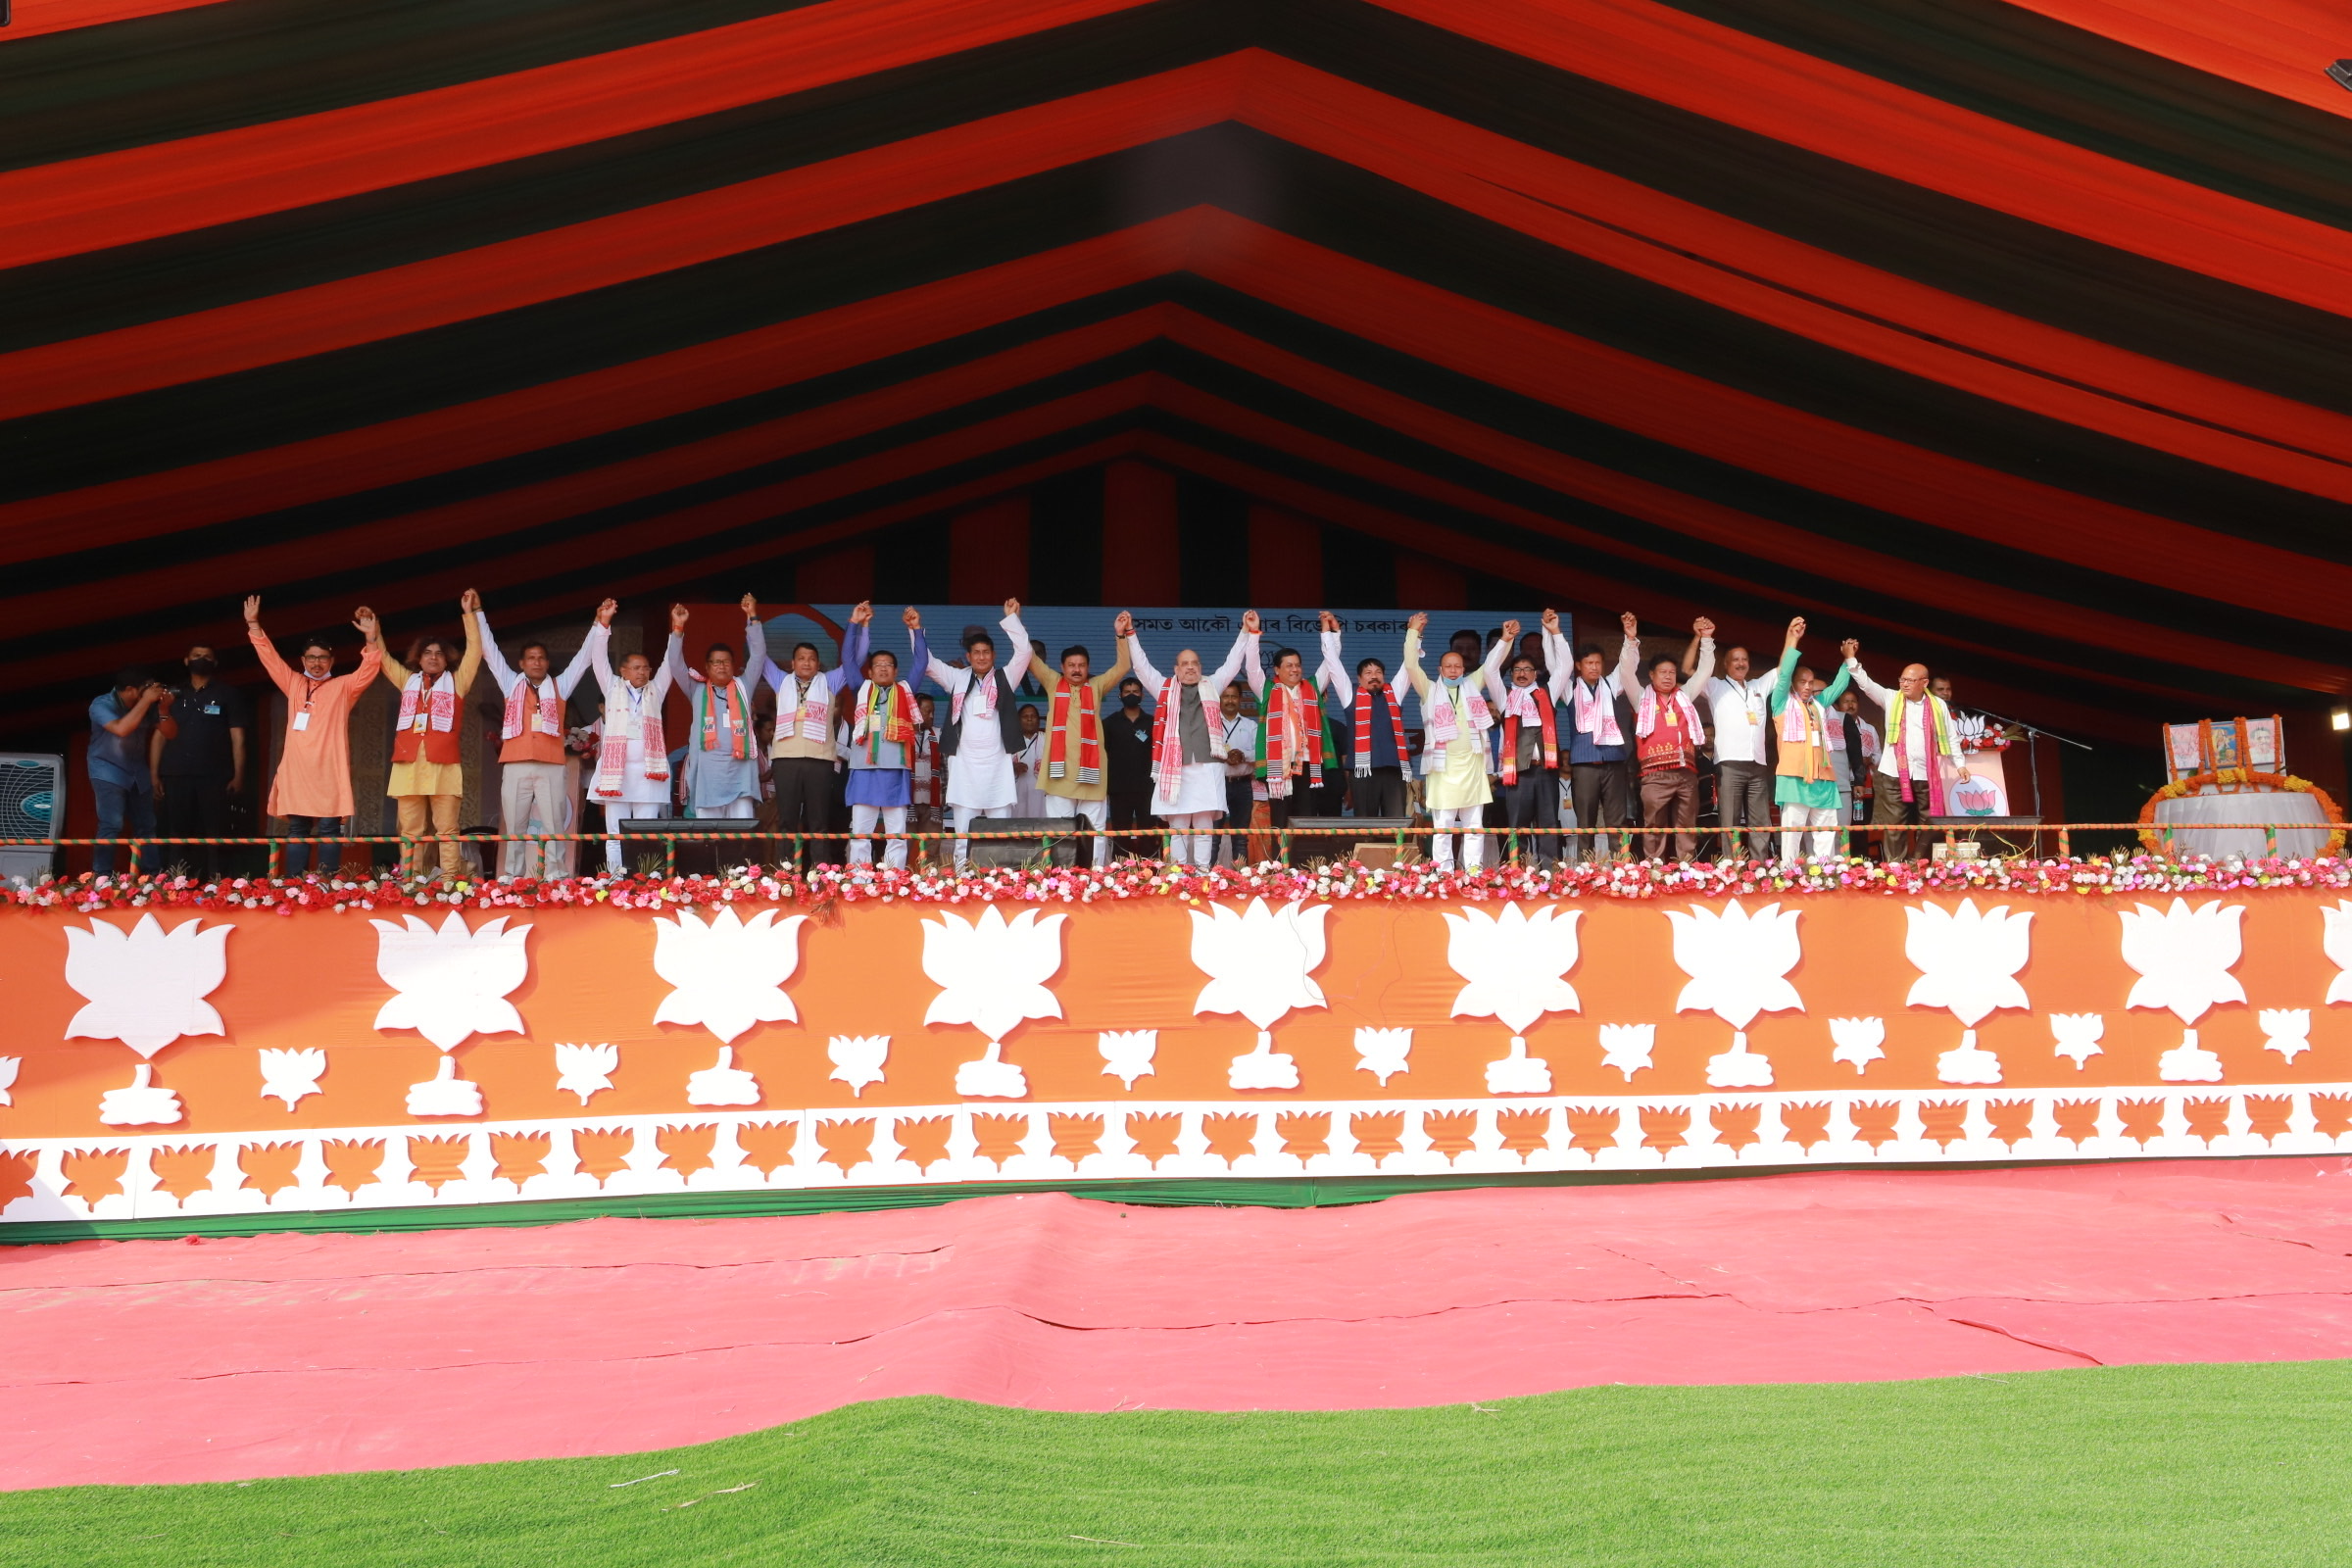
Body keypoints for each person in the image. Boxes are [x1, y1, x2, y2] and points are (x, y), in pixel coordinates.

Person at [245, 596, 382, 876]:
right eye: (311, 657)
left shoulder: (343, 686)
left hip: (329, 768)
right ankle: (295, 884)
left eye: (322, 657)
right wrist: (253, 623)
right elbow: (269, 658)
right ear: (303, 660)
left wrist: (371, 638)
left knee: (330, 828)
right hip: (298, 769)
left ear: (331, 660)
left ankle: (327, 882)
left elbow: (369, 668)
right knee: (298, 828)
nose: (317, 662)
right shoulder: (294, 682)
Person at [476, 597, 608, 879]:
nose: (536, 662)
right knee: (515, 825)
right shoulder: (511, 682)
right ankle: (512, 877)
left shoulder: (560, 686)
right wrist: (477, 613)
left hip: (551, 764)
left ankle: (556, 876)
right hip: (516, 764)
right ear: (522, 663)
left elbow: (584, 657)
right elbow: (489, 650)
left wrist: (600, 623)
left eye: (541, 658)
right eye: (531, 658)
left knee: (554, 825)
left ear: (548, 663)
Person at [1004, 602, 1135, 867]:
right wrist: (1014, 621)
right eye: (1071, 665)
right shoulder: (1053, 683)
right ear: (1062, 668)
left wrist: (1121, 634)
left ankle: (1095, 874)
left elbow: (1123, 667)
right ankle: (1062, 875)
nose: (1076, 669)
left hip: (1092, 772)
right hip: (1060, 773)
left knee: (1095, 831)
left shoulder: (1097, 686)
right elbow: (1029, 656)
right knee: (1060, 830)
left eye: (1081, 665)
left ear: (1088, 668)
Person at [379, 591, 486, 880]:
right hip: (408, 764)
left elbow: (475, 651)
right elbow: (384, 660)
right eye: (428, 653)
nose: (434, 657)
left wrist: (469, 615)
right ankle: (410, 881)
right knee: (410, 831)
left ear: (446, 658)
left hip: (444, 764)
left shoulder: (458, 682)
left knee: (447, 829)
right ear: (419, 657)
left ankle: (450, 879)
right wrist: (373, 634)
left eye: (439, 653)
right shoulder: (408, 681)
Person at [741, 595, 854, 869]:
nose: (806, 663)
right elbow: (759, 655)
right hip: (786, 760)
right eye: (801, 658)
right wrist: (752, 616)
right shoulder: (781, 681)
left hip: (820, 761)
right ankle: (785, 872)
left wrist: (855, 625)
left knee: (818, 821)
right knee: (787, 818)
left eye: (811, 659)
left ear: (818, 664)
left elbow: (854, 659)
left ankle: (821, 873)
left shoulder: (831, 682)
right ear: (792, 664)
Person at [1129, 620, 1252, 867]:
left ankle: (1204, 873)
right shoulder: (1164, 688)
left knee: (1205, 824)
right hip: (1176, 768)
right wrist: (1130, 634)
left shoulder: (1212, 686)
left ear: (1201, 667)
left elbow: (1233, 662)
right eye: (1184, 663)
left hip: (1208, 766)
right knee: (1178, 825)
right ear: (1176, 668)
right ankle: (1179, 873)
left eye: (1194, 663)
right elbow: (1141, 668)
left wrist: (1246, 631)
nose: (1189, 667)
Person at [914, 606, 1026, 869]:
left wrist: (1012, 619)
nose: (981, 656)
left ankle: (1002, 877)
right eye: (976, 652)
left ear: (993, 655)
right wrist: (915, 630)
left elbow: (1024, 652)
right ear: (968, 656)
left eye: (986, 652)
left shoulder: (1006, 677)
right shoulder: (957, 677)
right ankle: (963, 877)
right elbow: (927, 663)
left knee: (1000, 832)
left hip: (998, 765)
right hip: (965, 765)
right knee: (963, 832)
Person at [1400, 612, 1509, 871]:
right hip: (1443, 768)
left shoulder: (1472, 684)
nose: (1453, 670)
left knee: (1474, 828)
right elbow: (1412, 665)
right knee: (1443, 828)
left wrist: (1505, 640)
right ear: (1440, 669)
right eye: (1448, 666)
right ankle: (1444, 874)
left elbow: (1491, 665)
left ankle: (1472, 872)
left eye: (1457, 666)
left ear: (1463, 669)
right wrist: (1413, 632)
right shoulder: (1429, 689)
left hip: (1472, 766)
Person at [1843, 640, 1963, 860]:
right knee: (1895, 824)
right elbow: (1866, 684)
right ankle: (1896, 869)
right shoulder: (1891, 697)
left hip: (1927, 773)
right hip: (1894, 774)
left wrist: (1961, 764)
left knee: (1929, 823)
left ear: (1924, 682)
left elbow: (1951, 736)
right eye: (1902, 679)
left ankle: (1923, 865)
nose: (1904, 684)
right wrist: (1851, 659)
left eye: (1910, 680)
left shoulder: (1938, 705)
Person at [147, 640, 250, 881]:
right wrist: (153, 774)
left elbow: (238, 738)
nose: (200, 659)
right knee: (176, 833)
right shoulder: (171, 695)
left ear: (214, 662)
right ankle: (176, 883)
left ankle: (219, 883)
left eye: (206, 655)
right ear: (186, 661)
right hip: (175, 774)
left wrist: (239, 774)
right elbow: (158, 737)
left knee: (217, 834)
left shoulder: (228, 694)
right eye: (195, 655)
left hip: (216, 776)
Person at [588, 607, 678, 873]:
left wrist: (677, 631)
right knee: (615, 834)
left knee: (645, 834)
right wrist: (604, 623)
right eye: (636, 668)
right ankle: (617, 880)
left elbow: (670, 663)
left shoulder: (656, 689)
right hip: (617, 774)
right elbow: (597, 658)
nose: (642, 672)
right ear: (623, 670)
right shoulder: (612, 686)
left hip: (649, 776)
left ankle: (645, 881)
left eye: (646, 668)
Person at [664, 604, 764, 838]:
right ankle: (709, 875)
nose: (721, 666)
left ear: (733, 665)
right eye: (716, 662)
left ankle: (743, 875)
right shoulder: (696, 689)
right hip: (709, 774)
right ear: (707, 667)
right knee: (708, 836)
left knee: (742, 834)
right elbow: (675, 664)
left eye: (726, 661)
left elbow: (758, 655)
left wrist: (752, 617)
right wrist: (678, 628)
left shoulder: (744, 686)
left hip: (741, 774)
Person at [1545, 610, 1636, 863]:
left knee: (1616, 821)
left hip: (1614, 761)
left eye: (1598, 663)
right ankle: (1587, 869)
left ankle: (1621, 868)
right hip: (1584, 763)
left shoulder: (1610, 685)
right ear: (1579, 666)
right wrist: (1555, 634)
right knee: (1585, 820)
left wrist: (1630, 638)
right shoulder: (1569, 688)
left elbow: (1626, 666)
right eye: (1589, 663)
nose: (1594, 667)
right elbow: (1557, 666)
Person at [1622, 613, 1713, 861]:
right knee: (1653, 825)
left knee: (1687, 826)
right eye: (1662, 672)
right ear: (1651, 675)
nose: (1668, 676)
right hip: (1654, 775)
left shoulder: (1685, 695)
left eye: (1672, 672)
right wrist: (1630, 640)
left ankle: (1685, 869)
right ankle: (1654, 868)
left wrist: (1706, 639)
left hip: (1686, 771)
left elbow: (1704, 671)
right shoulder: (1641, 698)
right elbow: (1626, 672)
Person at [1243, 612, 1329, 857]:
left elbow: (1330, 665)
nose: (1295, 669)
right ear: (1277, 670)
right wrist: (1253, 634)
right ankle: (1281, 869)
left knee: (1306, 821)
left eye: (1298, 665)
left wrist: (1329, 634)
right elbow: (1251, 667)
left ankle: (1306, 869)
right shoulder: (1267, 690)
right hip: (1279, 770)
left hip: (1308, 765)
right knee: (1279, 821)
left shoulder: (1311, 688)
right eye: (1289, 665)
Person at [1766, 617, 1851, 861]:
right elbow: (1782, 677)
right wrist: (1792, 639)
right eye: (1802, 682)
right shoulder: (1781, 703)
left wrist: (1848, 660)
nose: (1807, 686)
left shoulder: (1819, 704)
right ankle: (1789, 871)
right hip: (1794, 776)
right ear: (1793, 684)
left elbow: (1838, 686)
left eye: (1810, 683)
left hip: (1823, 776)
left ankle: (1825, 872)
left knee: (1826, 832)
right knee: (1792, 832)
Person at [1686, 621, 1773, 859]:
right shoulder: (1715, 685)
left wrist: (1792, 638)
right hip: (1729, 765)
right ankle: (1732, 867)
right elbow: (1687, 669)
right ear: (1725, 664)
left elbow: (1783, 669)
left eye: (1744, 659)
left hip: (1758, 764)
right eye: (1735, 659)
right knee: (1730, 820)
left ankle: (1759, 868)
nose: (1741, 663)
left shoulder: (1758, 686)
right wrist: (1700, 638)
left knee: (1760, 822)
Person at [1315, 613, 1409, 820]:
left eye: (1378, 672)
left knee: (1396, 824)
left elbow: (1408, 666)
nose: (1374, 675)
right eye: (1368, 672)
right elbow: (1332, 664)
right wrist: (1328, 633)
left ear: (1384, 676)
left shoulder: (1395, 694)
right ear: (1359, 678)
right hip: (1362, 771)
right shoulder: (1351, 695)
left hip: (1393, 770)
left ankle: (1397, 854)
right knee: (1365, 824)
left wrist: (1414, 634)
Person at [1487, 631, 1559, 865]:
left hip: (1546, 770)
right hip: (1518, 772)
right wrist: (1505, 640)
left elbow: (1565, 665)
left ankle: (1550, 873)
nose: (1521, 673)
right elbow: (1489, 670)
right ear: (1511, 674)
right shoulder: (1505, 698)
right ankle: (1519, 873)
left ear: (1536, 673)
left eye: (1527, 669)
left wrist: (1554, 632)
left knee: (1548, 824)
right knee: (1518, 825)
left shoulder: (1548, 693)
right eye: (1516, 670)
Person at [87, 669, 166, 877]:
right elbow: (121, 729)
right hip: (107, 770)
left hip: (138, 772)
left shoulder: (148, 705)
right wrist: (146, 701)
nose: (150, 692)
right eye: (145, 689)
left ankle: (152, 877)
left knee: (147, 826)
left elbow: (170, 732)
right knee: (111, 824)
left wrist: (164, 707)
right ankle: (102, 877)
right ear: (131, 690)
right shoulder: (102, 704)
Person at [1102, 675, 1157, 858]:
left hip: (1147, 787)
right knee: (1120, 831)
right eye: (1127, 692)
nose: (1131, 695)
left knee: (1148, 831)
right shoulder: (1109, 723)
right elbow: (1104, 753)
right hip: (1119, 788)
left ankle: (1151, 872)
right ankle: (1120, 871)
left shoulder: (1153, 723)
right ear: (1120, 696)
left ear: (1142, 695)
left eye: (1135, 692)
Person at [1217, 681, 1258, 865]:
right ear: (1219, 699)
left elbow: (1260, 753)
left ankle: (1240, 878)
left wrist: (1242, 755)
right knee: (1213, 835)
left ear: (1239, 699)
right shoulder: (1211, 725)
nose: (1230, 700)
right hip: (1217, 784)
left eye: (1234, 696)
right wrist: (1224, 756)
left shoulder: (1250, 725)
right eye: (1226, 696)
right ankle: (1207, 877)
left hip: (1243, 785)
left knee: (1240, 836)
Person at [1829, 687, 1879, 832]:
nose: (1851, 705)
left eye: (1854, 701)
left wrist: (1868, 760)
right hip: (1839, 783)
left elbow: (1878, 755)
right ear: (1837, 706)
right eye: (1846, 702)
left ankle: (1859, 855)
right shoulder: (1830, 725)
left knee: (1860, 826)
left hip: (1862, 784)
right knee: (1837, 825)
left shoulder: (1869, 729)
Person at [907, 692, 945, 858]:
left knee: (932, 850)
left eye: (933, 712)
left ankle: (930, 882)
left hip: (932, 804)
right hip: (906, 804)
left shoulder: (938, 734)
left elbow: (945, 768)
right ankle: (898, 882)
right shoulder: (902, 734)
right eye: (927, 711)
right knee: (902, 848)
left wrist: (946, 794)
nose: (931, 716)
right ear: (914, 711)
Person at [1012, 704, 1048, 818]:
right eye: (1025, 716)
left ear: (1038, 720)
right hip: (1017, 794)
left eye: (1033, 716)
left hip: (1041, 795)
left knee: (1041, 828)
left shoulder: (1048, 740)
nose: (1029, 719)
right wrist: (1013, 767)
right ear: (1018, 720)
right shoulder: (1010, 741)